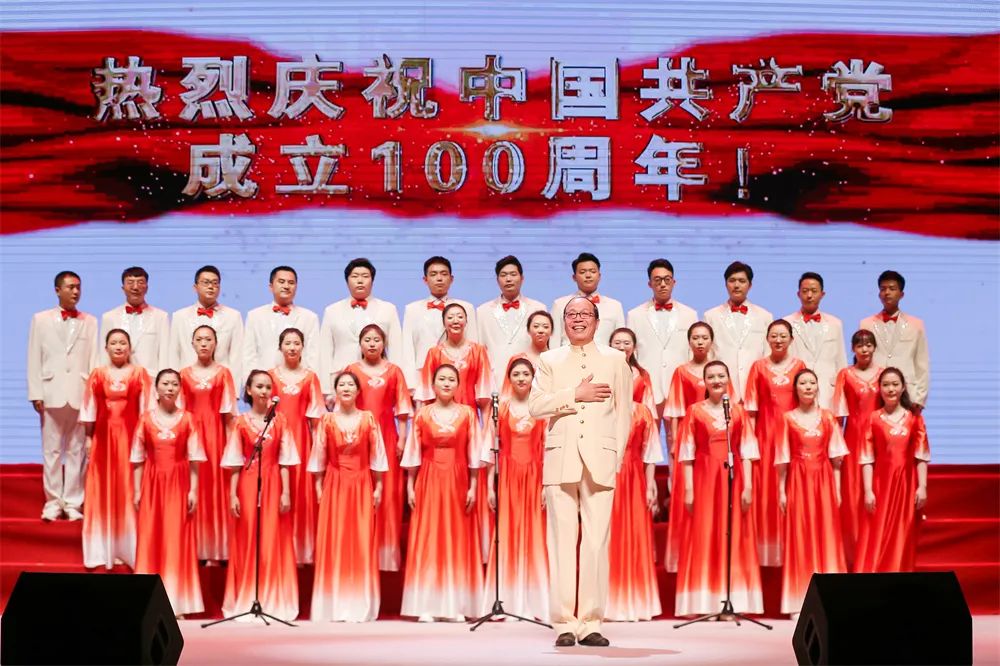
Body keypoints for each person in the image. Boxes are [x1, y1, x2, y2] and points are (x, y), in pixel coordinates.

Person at [528, 295, 632, 647]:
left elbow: (624, 414)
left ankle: (590, 622)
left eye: (584, 314)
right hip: (561, 458)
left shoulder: (615, 359)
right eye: (571, 314)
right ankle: (563, 623)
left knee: (596, 544)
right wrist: (575, 393)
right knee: (560, 542)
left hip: (600, 459)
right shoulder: (549, 359)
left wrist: (615, 458)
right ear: (564, 321)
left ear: (597, 321)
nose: (577, 319)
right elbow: (536, 406)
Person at [674, 361, 762, 617]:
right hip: (704, 479)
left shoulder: (738, 411)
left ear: (728, 379)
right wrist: (688, 488)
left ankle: (731, 600)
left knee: (732, 534)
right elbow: (687, 453)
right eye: (711, 377)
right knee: (705, 533)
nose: (716, 381)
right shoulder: (694, 411)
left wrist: (748, 486)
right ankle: (704, 603)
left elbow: (748, 451)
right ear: (704, 381)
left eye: (721, 376)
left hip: (733, 479)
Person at [400, 364, 484, 622]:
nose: (446, 383)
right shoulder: (422, 415)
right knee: (429, 538)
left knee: (456, 539)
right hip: (428, 479)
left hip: (458, 480)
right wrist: (410, 486)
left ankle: (456, 605)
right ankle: (427, 605)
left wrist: (473, 486)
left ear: (458, 385)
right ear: (433, 384)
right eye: (442, 379)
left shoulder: (468, 414)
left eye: (451, 380)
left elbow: (474, 453)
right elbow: (413, 453)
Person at [415, 303, 493, 562]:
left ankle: (469, 553)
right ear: (444, 322)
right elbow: (425, 397)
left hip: (467, 423)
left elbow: (484, 398)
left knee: (469, 487)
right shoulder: (434, 353)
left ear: (467, 321)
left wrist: (485, 431)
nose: (456, 320)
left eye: (460, 316)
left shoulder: (478, 351)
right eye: (451, 317)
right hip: (436, 427)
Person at [309, 371, 388, 622]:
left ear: (358, 391)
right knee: (335, 538)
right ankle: (333, 604)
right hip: (334, 483)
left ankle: (359, 603)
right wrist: (319, 486)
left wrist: (378, 486)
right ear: (335, 391)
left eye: (350, 385)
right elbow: (319, 455)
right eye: (341, 384)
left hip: (362, 482)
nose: (346, 388)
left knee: (361, 539)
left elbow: (377, 455)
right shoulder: (327, 420)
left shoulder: (368, 418)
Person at [221, 370, 300, 622]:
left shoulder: (281, 421)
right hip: (247, 483)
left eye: (268, 387)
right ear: (249, 390)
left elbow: (286, 460)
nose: (264, 391)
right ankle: (246, 597)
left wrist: (286, 491)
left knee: (272, 537)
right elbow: (235, 461)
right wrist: (233, 494)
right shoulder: (240, 422)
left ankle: (274, 599)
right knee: (247, 538)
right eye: (259, 386)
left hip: (274, 481)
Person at [131, 369, 205, 617]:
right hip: (152, 484)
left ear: (180, 389)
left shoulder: (188, 419)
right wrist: (137, 490)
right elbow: (137, 459)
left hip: (179, 484)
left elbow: (194, 460)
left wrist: (193, 490)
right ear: (157, 388)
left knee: (175, 540)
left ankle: (175, 603)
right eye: (165, 383)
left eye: (174, 384)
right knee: (150, 538)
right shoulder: (145, 419)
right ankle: (146, 602)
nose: (170, 388)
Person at [27, 270, 99, 521]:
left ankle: (73, 503)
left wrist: (92, 395)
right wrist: (36, 392)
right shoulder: (40, 319)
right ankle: (53, 502)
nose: (76, 291)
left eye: (78, 287)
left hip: (80, 392)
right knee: (52, 450)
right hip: (51, 391)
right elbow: (34, 356)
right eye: (70, 287)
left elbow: (93, 360)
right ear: (57, 290)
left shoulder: (90, 321)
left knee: (77, 450)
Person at [776, 368, 848, 616]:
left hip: (824, 480)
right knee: (800, 536)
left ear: (818, 387)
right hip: (797, 480)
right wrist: (782, 491)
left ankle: (832, 598)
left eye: (812, 382)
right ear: (795, 389)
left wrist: (837, 489)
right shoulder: (787, 419)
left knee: (827, 535)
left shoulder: (828, 417)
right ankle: (799, 601)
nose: (807, 387)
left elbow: (837, 459)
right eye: (803, 383)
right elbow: (782, 459)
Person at [482, 358, 549, 621]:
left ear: (533, 378)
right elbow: (491, 448)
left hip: (534, 477)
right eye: (516, 374)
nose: (521, 378)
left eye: (526, 374)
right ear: (508, 378)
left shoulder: (541, 409)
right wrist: (490, 485)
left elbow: (548, 449)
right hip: (508, 477)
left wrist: (546, 484)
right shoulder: (501, 408)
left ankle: (536, 603)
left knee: (534, 535)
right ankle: (506, 599)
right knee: (507, 533)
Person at [80, 329, 151, 570]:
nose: (119, 347)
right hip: (103, 440)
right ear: (106, 348)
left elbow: (147, 411)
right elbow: (89, 409)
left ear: (130, 347)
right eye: (114, 343)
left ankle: (129, 549)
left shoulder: (140, 374)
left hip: (131, 440)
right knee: (103, 489)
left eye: (123, 343)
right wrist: (88, 438)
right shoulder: (97, 375)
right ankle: (103, 549)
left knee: (128, 488)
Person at [345, 324, 412, 572]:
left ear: (384, 344)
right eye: (367, 339)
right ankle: (360, 551)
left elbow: (402, 409)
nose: (372, 344)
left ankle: (386, 554)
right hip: (358, 438)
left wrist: (402, 440)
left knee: (389, 493)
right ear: (360, 344)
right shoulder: (352, 371)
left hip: (387, 436)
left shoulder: (394, 372)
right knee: (361, 492)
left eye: (376, 339)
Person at [743, 319, 807, 567]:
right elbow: (751, 410)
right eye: (774, 336)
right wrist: (751, 441)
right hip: (765, 436)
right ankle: (766, 550)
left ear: (791, 339)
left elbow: (805, 402)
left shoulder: (799, 366)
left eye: (783, 336)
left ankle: (792, 545)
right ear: (767, 338)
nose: (778, 340)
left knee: (791, 488)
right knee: (767, 490)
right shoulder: (758, 367)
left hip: (793, 435)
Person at [855, 368, 930, 573]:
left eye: (895, 384)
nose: (891, 389)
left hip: (906, 485)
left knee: (903, 532)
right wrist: (868, 490)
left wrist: (922, 486)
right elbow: (866, 458)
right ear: (879, 389)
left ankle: (900, 575)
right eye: (886, 385)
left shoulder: (914, 419)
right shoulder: (873, 418)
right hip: (881, 485)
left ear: (903, 387)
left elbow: (921, 456)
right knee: (877, 531)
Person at [662, 321, 719, 572]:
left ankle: (712, 549)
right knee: (687, 494)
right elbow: (675, 410)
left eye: (704, 337)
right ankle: (686, 552)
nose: (700, 342)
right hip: (688, 441)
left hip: (712, 443)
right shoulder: (681, 372)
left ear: (711, 341)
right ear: (689, 341)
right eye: (695, 337)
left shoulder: (718, 371)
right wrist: (674, 442)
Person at [179, 325, 237, 563]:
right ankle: (195, 548)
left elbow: (229, 415)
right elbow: (179, 413)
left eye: (208, 339)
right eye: (199, 339)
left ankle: (218, 549)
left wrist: (231, 446)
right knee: (194, 488)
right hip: (191, 436)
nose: (204, 343)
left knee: (215, 488)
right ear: (192, 344)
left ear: (216, 344)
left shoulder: (224, 374)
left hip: (216, 437)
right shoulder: (183, 375)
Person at [268, 328, 324, 565]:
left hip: (301, 440)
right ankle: (276, 549)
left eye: (296, 343)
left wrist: (318, 449)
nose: (292, 347)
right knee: (276, 490)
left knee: (300, 491)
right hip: (274, 439)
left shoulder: (310, 378)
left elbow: (317, 418)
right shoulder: (270, 376)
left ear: (303, 347)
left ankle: (301, 551)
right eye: (288, 343)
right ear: (280, 347)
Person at [605, 399, 663, 621]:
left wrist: (650, 484)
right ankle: (608, 603)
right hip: (605, 478)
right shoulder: (600, 408)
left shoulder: (642, 412)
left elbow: (650, 452)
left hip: (634, 479)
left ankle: (638, 603)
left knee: (635, 536)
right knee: (608, 538)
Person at [319, 258, 404, 402]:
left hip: (378, 381)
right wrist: (326, 389)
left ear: (372, 280)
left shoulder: (388, 309)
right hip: (341, 380)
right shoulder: (331, 311)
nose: (360, 281)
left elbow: (396, 349)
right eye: (355, 276)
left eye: (365, 276)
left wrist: (398, 385)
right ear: (347, 281)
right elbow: (325, 351)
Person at [626, 259, 698, 429]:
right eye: (657, 280)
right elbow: (631, 354)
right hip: (648, 387)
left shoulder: (690, 314)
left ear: (674, 282)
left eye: (667, 279)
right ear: (649, 284)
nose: (663, 284)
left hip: (679, 387)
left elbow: (692, 352)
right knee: (646, 438)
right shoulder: (635, 315)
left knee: (678, 440)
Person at [832, 329, 882, 567]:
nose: (865, 349)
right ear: (853, 348)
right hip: (852, 439)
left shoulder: (883, 374)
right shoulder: (845, 374)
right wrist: (836, 448)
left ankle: (876, 552)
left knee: (876, 494)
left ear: (874, 347)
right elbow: (839, 415)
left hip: (879, 441)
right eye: (860, 345)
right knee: (853, 497)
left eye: (869, 345)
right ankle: (853, 556)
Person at [401, 256, 477, 388]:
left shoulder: (466, 307)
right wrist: (410, 384)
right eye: (433, 274)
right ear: (425, 280)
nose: (439, 278)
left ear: (451, 279)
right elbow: (407, 348)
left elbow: (473, 345)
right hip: (422, 377)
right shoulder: (412, 309)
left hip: (458, 376)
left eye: (444, 274)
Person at [859, 271, 930, 413]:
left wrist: (919, 398)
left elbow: (922, 363)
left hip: (907, 393)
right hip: (875, 392)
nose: (887, 293)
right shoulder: (866, 324)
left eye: (892, 289)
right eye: (883, 289)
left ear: (901, 294)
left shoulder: (916, 324)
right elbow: (861, 361)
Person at [703, 261, 772, 401]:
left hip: (755, 388)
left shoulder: (764, 316)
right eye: (732, 280)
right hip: (721, 388)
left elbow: (768, 354)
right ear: (725, 284)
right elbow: (708, 355)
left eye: (742, 281)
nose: (736, 285)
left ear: (750, 285)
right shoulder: (711, 316)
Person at [242, 265, 320, 383]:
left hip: (298, 384)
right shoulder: (255, 316)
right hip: (264, 384)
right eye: (281, 282)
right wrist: (251, 384)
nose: (286, 286)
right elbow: (249, 355)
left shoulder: (309, 317)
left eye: (291, 283)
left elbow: (313, 356)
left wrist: (308, 384)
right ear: (271, 286)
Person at [476, 255, 546, 386]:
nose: (508, 279)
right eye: (503, 275)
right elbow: (479, 350)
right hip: (495, 379)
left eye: (513, 274)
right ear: (497, 280)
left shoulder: (538, 308)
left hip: (530, 378)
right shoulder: (483, 311)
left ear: (522, 278)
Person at [168, 265, 244, 383]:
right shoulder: (180, 316)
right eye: (206, 282)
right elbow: (173, 355)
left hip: (221, 383)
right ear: (195, 287)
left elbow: (237, 357)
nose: (210, 287)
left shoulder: (233, 316)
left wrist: (233, 388)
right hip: (186, 383)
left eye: (215, 283)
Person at [783, 272, 846, 409]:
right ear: (798, 294)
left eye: (814, 291)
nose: (809, 295)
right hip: (797, 392)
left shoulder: (835, 324)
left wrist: (841, 405)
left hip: (828, 393)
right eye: (805, 291)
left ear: (822, 294)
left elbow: (841, 363)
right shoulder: (787, 323)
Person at [100, 266, 169, 373]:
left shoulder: (161, 317)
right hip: (118, 378)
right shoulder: (109, 317)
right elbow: (103, 355)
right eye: (130, 282)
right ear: (123, 288)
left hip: (150, 378)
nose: (135, 287)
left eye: (140, 282)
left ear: (147, 288)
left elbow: (165, 354)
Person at [550, 253, 624, 349]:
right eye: (582, 272)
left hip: (604, 357)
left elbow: (622, 339)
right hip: (569, 357)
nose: (588, 275)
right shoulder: (560, 304)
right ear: (574, 277)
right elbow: (554, 340)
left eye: (593, 271)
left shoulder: (615, 306)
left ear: (599, 276)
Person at [608, 327, 657, 417]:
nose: (621, 347)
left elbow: (649, 408)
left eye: (627, 343)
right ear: (610, 345)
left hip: (634, 421)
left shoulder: (642, 375)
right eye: (617, 343)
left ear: (634, 347)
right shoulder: (600, 370)